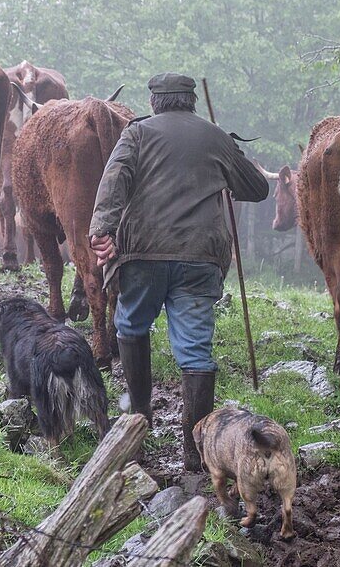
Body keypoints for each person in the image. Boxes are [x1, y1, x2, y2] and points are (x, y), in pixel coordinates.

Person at [88, 72, 269, 471]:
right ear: (190, 102)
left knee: (132, 326)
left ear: (155, 102)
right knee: (195, 349)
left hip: (144, 254)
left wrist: (101, 229)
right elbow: (257, 188)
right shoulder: (215, 137)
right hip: (200, 257)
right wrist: (224, 164)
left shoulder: (136, 135)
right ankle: (195, 451)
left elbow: (113, 182)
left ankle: (139, 420)